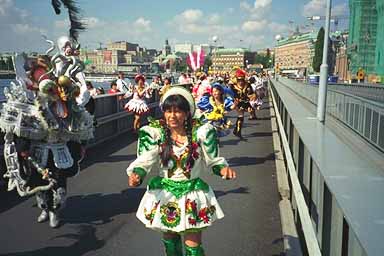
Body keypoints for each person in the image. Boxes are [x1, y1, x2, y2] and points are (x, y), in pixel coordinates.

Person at [126, 86, 237, 256]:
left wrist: (223, 169)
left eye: (177, 111)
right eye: (168, 111)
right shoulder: (157, 135)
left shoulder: (200, 133)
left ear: (186, 113)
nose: (172, 116)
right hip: (166, 195)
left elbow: (213, 160)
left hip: (192, 194)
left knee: (193, 246)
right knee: (171, 243)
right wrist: (137, 175)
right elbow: (145, 161)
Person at [229, 69, 255, 139]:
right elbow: (230, 94)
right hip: (237, 102)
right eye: (239, 80)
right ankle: (238, 132)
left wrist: (251, 97)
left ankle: (236, 130)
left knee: (241, 115)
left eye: (242, 80)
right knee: (241, 115)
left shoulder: (247, 85)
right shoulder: (232, 86)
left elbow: (251, 93)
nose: (240, 82)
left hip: (245, 102)